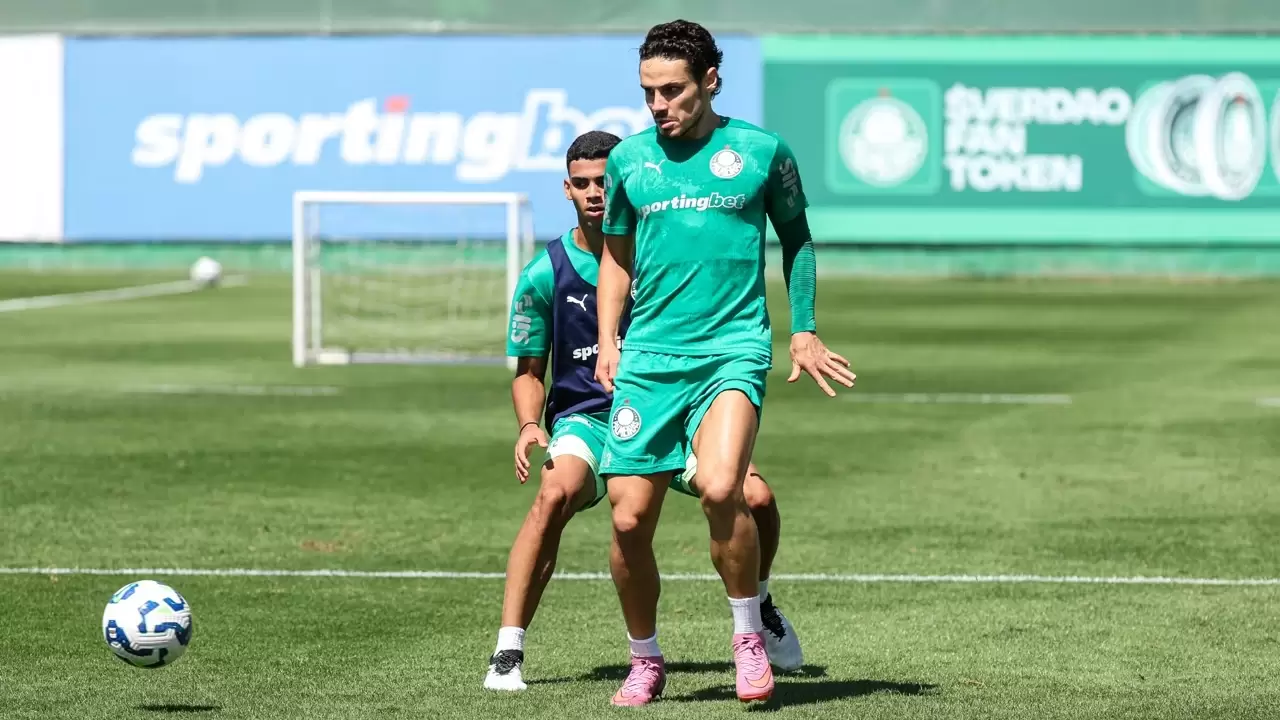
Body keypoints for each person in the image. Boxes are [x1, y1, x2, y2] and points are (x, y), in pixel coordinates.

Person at [484, 130, 803, 693]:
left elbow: (785, 239)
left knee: (754, 496)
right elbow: (529, 371)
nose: (596, 193)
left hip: (673, 404)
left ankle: (761, 604)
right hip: (588, 415)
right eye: (582, 184)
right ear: (566, 189)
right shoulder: (545, 273)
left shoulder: (665, 250)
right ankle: (510, 650)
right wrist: (530, 424)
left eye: (604, 182)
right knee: (559, 494)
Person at [595, 21, 855, 705]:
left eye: (672, 90)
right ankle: (645, 658)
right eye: (649, 92)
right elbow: (615, 258)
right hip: (649, 357)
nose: (658, 105)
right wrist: (610, 338)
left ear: (710, 80)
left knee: (720, 487)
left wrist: (804, 331)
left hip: (732, 351)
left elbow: (797, 239)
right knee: (626, 520)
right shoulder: (629, 163)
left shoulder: (762, 152)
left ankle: (747, 638)